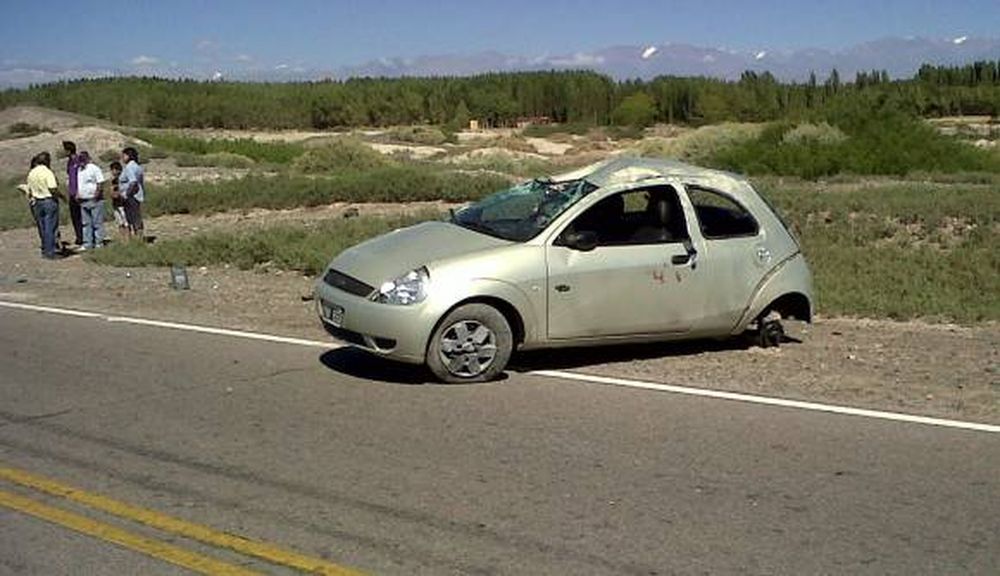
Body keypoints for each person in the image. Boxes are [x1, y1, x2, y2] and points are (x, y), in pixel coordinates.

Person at [25, 151, 65, 259]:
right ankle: (50, 252)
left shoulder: (32, 173)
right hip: (48, 200)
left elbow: (29, 188)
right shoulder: (47, 172)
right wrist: (61, 196)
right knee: (50, 227)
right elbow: (52, 188)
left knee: (42, 227)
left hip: (37, 201)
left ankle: (45, 249)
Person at [75, 151, 106, 250]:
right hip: (83, 200)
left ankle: (99, 243)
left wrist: (97, 193)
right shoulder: (79, 170)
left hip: (94, 199)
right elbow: (80, 184)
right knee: (86, 223)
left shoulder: (94, 168)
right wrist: (77, 194)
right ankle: (87, 243)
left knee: (97, 222)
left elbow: (100, 182)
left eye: (83, 159)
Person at [119, 147, 145, 240]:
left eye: (124, 155)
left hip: (131, 197)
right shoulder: (137, 167)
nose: (122, 158)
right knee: (137, 217)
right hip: (137, 196)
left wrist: (126, 194)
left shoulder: (129, 167)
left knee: (131, 218)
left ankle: (135, 238)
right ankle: (139, 237)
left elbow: (133, 182)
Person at [63, 140, 84, 247]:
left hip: (79, 192)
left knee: (81, 216)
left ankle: (84, 237)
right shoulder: (69, 162)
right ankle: (79, 237)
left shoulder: (78, 160)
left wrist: (78, 191)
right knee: (74, 216)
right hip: (72, 192)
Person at [108, 161, 128, 238]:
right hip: (115, 203)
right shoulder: (113, 180)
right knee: (120, 222)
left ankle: (127, 239)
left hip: (122, 204)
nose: (113, 172)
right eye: (112, 170)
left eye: (114, 170)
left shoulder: (122, 180)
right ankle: (122, 238)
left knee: (126, 222)